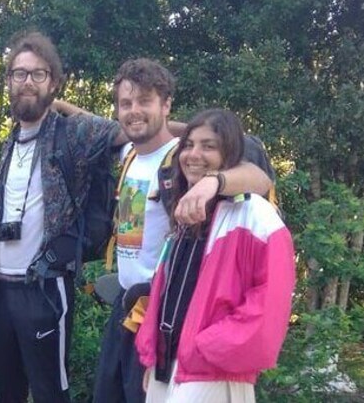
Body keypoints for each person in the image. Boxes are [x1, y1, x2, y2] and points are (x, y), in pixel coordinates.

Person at [52, 59, 274, 403]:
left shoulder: (184, 157)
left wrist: (212, 184)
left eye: (145, 102)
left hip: (164, 318)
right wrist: (58, 106)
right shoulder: (127, 153)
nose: (134, 111)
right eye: (126, 104)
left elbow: (259, 178)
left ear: (166, 105)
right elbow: (99, 123)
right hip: (125, 311)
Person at [136, 109, 295, 403]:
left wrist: (207, 347)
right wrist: (154, 353)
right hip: (168, 364)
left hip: (212, 370)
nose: (194, 154)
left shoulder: (254, 213)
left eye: (208, 146)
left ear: (231, 152)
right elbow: (168, 293)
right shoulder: (187, 214)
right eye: (188, 145)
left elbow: (272, 298)